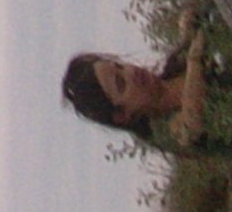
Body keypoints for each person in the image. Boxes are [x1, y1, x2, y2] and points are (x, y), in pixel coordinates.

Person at [61, 32, 211, 149]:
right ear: (121, 115)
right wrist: (195, 63)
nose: (131, 72)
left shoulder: (179, 62)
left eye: (120, 66)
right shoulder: (161, 132)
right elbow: (191, 126)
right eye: (121, 83)